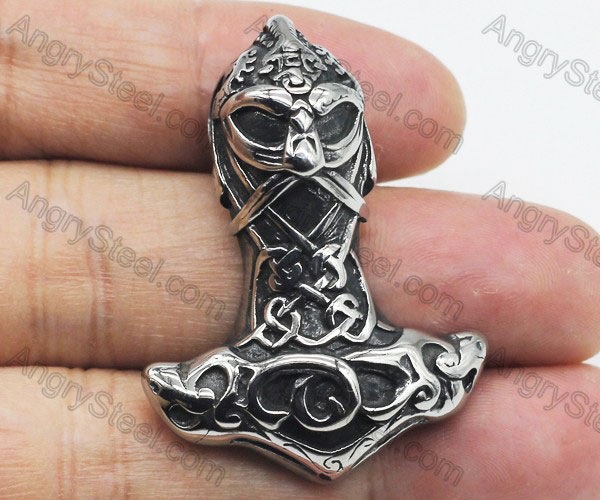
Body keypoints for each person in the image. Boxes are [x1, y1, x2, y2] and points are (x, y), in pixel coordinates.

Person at [0, 1, 598, 498]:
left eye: (332, 126)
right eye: (265, 126)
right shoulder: (204, 393)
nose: (306, 158)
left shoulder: (433, 371)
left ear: (364, 157)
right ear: (225, 166)